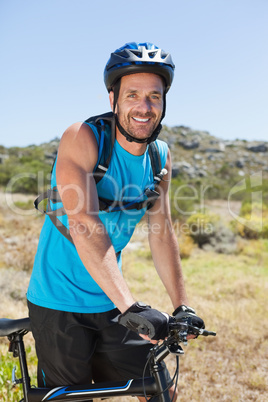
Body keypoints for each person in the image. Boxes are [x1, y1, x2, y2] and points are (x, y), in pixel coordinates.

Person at [27, 42, 204, 400]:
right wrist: (133, 308)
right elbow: (84, 224)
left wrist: (181, 304)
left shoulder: (160, 157)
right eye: (133, 95)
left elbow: (162, 233)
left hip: (110, 301)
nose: (144, 107)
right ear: (113, 100)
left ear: (164, 103)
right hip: (59, 303)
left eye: (154, 96)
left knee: (159, 389)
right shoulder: (83, 138)